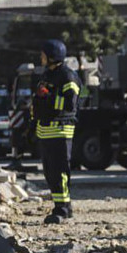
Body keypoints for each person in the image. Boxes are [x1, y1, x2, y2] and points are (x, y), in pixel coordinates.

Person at [31, 39, 80, 224]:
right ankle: (60, 205)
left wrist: (48, 98)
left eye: (43, 54)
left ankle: (63, 209)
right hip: (45, 131)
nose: (41, 57)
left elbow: (70, 103)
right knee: (50, 172)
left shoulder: (67, 76)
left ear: (52, 56)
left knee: (60, 172)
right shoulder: (46, 75)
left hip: (60, 130)